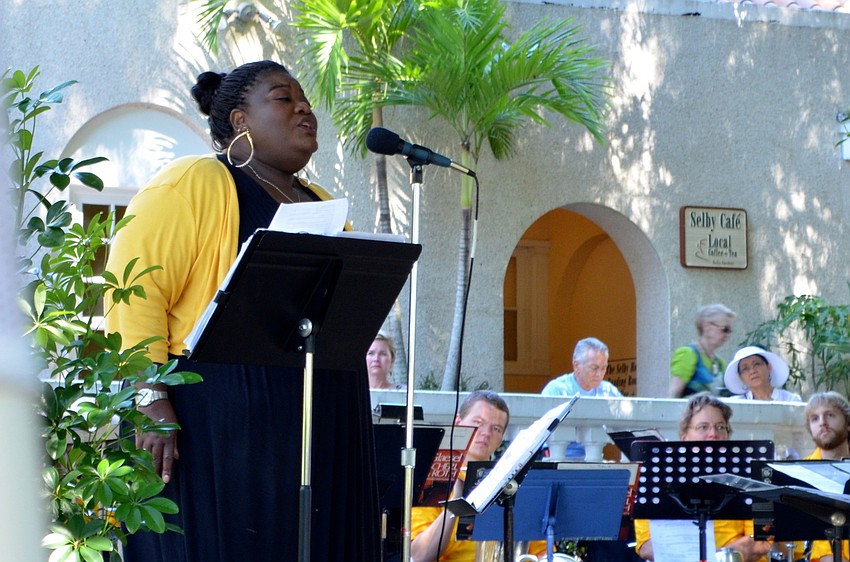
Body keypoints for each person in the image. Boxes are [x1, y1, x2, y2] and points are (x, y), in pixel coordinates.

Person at [105, 60, 380, 561]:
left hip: (319, 423)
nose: (304, 108)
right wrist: (148, 396)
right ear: (239, 121)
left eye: (307, 100)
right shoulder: (195, 181)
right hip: (216, 427)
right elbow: (134, 291)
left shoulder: (318, 200)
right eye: (283, 97)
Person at [634, 393, 772, 562]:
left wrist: (716, 558)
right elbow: (646, 545)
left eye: (720, 427)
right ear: (684, 436)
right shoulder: (655, 476)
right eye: (703, 427)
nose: (713, 434)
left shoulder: (754, 475)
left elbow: (761, 542)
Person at [410, 391, 520, 562]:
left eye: (496, 428)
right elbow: (418, 556)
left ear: (501, 439)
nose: (486, 433)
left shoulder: (511, 484)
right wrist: (456, 502)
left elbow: (540, 551)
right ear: (458, 423)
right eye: (478, 423)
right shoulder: (433, 480)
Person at [804, 392, 850, 562]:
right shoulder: (800, 473)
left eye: (830, 415)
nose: (822, 422)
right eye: (815, 418)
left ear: (848, 423)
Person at [669, 304, 736, 397]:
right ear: (706, 326)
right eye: (725, 329)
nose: (727, 334)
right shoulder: (687, 354)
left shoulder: (720, 363)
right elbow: (673, 395)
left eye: (729, 330)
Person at [541, 337, 623, 397]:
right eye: (594, 368)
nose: (599, 374)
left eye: (603, 368)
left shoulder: (610, 392)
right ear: (576, 366)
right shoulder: (557, 391)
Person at [724, 346, 801, 401]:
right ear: (741, 377)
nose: (752, 371)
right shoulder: (737, 404)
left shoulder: (790, 400)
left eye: (756, 364)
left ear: (768, 367)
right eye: (745, 369)